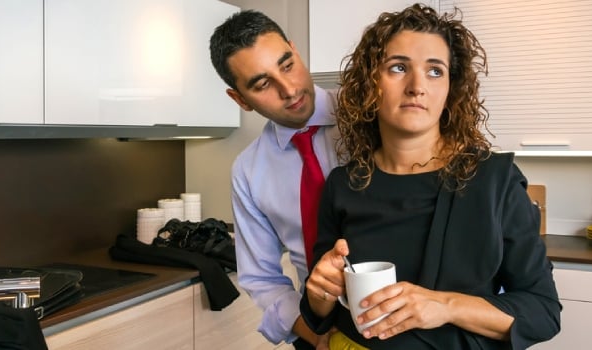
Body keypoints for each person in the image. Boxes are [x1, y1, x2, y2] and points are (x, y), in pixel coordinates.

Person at [299, 4, 561, 349]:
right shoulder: (342, 184)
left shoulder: (495, 180)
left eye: (435, 71)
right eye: (398, 68)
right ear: (370, 84)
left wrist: (445, 305)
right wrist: (319, 292)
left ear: (451, 90)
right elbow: (321, 314)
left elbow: (542, 311)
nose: (417, 86)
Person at [209, 10, 339, 349]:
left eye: (287, 64)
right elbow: (262, 279)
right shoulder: (248, 171)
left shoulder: (371, 118)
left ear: (296, 51)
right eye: (263, 84)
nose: (290, 88)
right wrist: (316, 337)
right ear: (240, 100)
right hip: (317, 328)